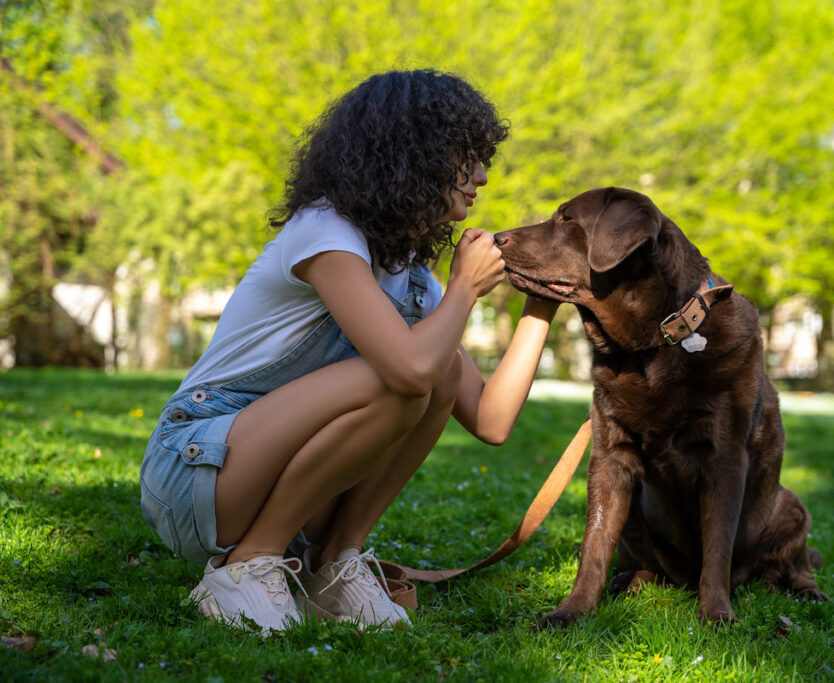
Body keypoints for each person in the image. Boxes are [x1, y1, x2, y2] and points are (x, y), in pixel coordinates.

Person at [138, 69, 558, 635]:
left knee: (436, 370)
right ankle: (246, 565)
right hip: (197, 473)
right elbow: (408, 370)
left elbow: (491, 420)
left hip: (264, 480)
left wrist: (544, 302)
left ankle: (331, 566)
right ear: (416, 154)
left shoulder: (408, 278)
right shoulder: (325, 232)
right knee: (406, 373)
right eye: (467, 157)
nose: (481, 175)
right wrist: (463, 290)